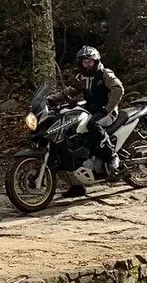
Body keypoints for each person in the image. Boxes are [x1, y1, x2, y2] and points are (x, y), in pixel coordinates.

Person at [49, 45, 125, 184]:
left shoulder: (105, 74)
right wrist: (51, 99)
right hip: (91, 109)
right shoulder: (82, 77)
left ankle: (112, 157)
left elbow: (118, 88)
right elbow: (70, 91)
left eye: (90, 61)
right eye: (84, 62)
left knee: (92, 124)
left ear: (96, 61)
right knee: (72, 128)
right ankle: (78, 179)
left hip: (107, 111)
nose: (87, 64)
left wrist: (108, 108)